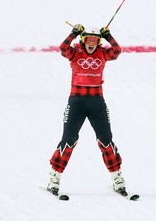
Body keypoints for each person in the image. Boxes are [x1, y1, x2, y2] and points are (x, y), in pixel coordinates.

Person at [47, 24, 126, 196]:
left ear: (98, 42)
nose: (91, 43)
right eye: (88, 40)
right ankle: (54, 178)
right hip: (77, 103)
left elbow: (117, 51)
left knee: (106, 140)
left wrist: (108, 36)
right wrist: (73, 33)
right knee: (69, 140)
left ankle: (117, 179)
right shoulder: (75, 53)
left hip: (97, 103)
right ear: (82, 41)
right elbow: (63, 48)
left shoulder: (103, 53)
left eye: (95, 40)